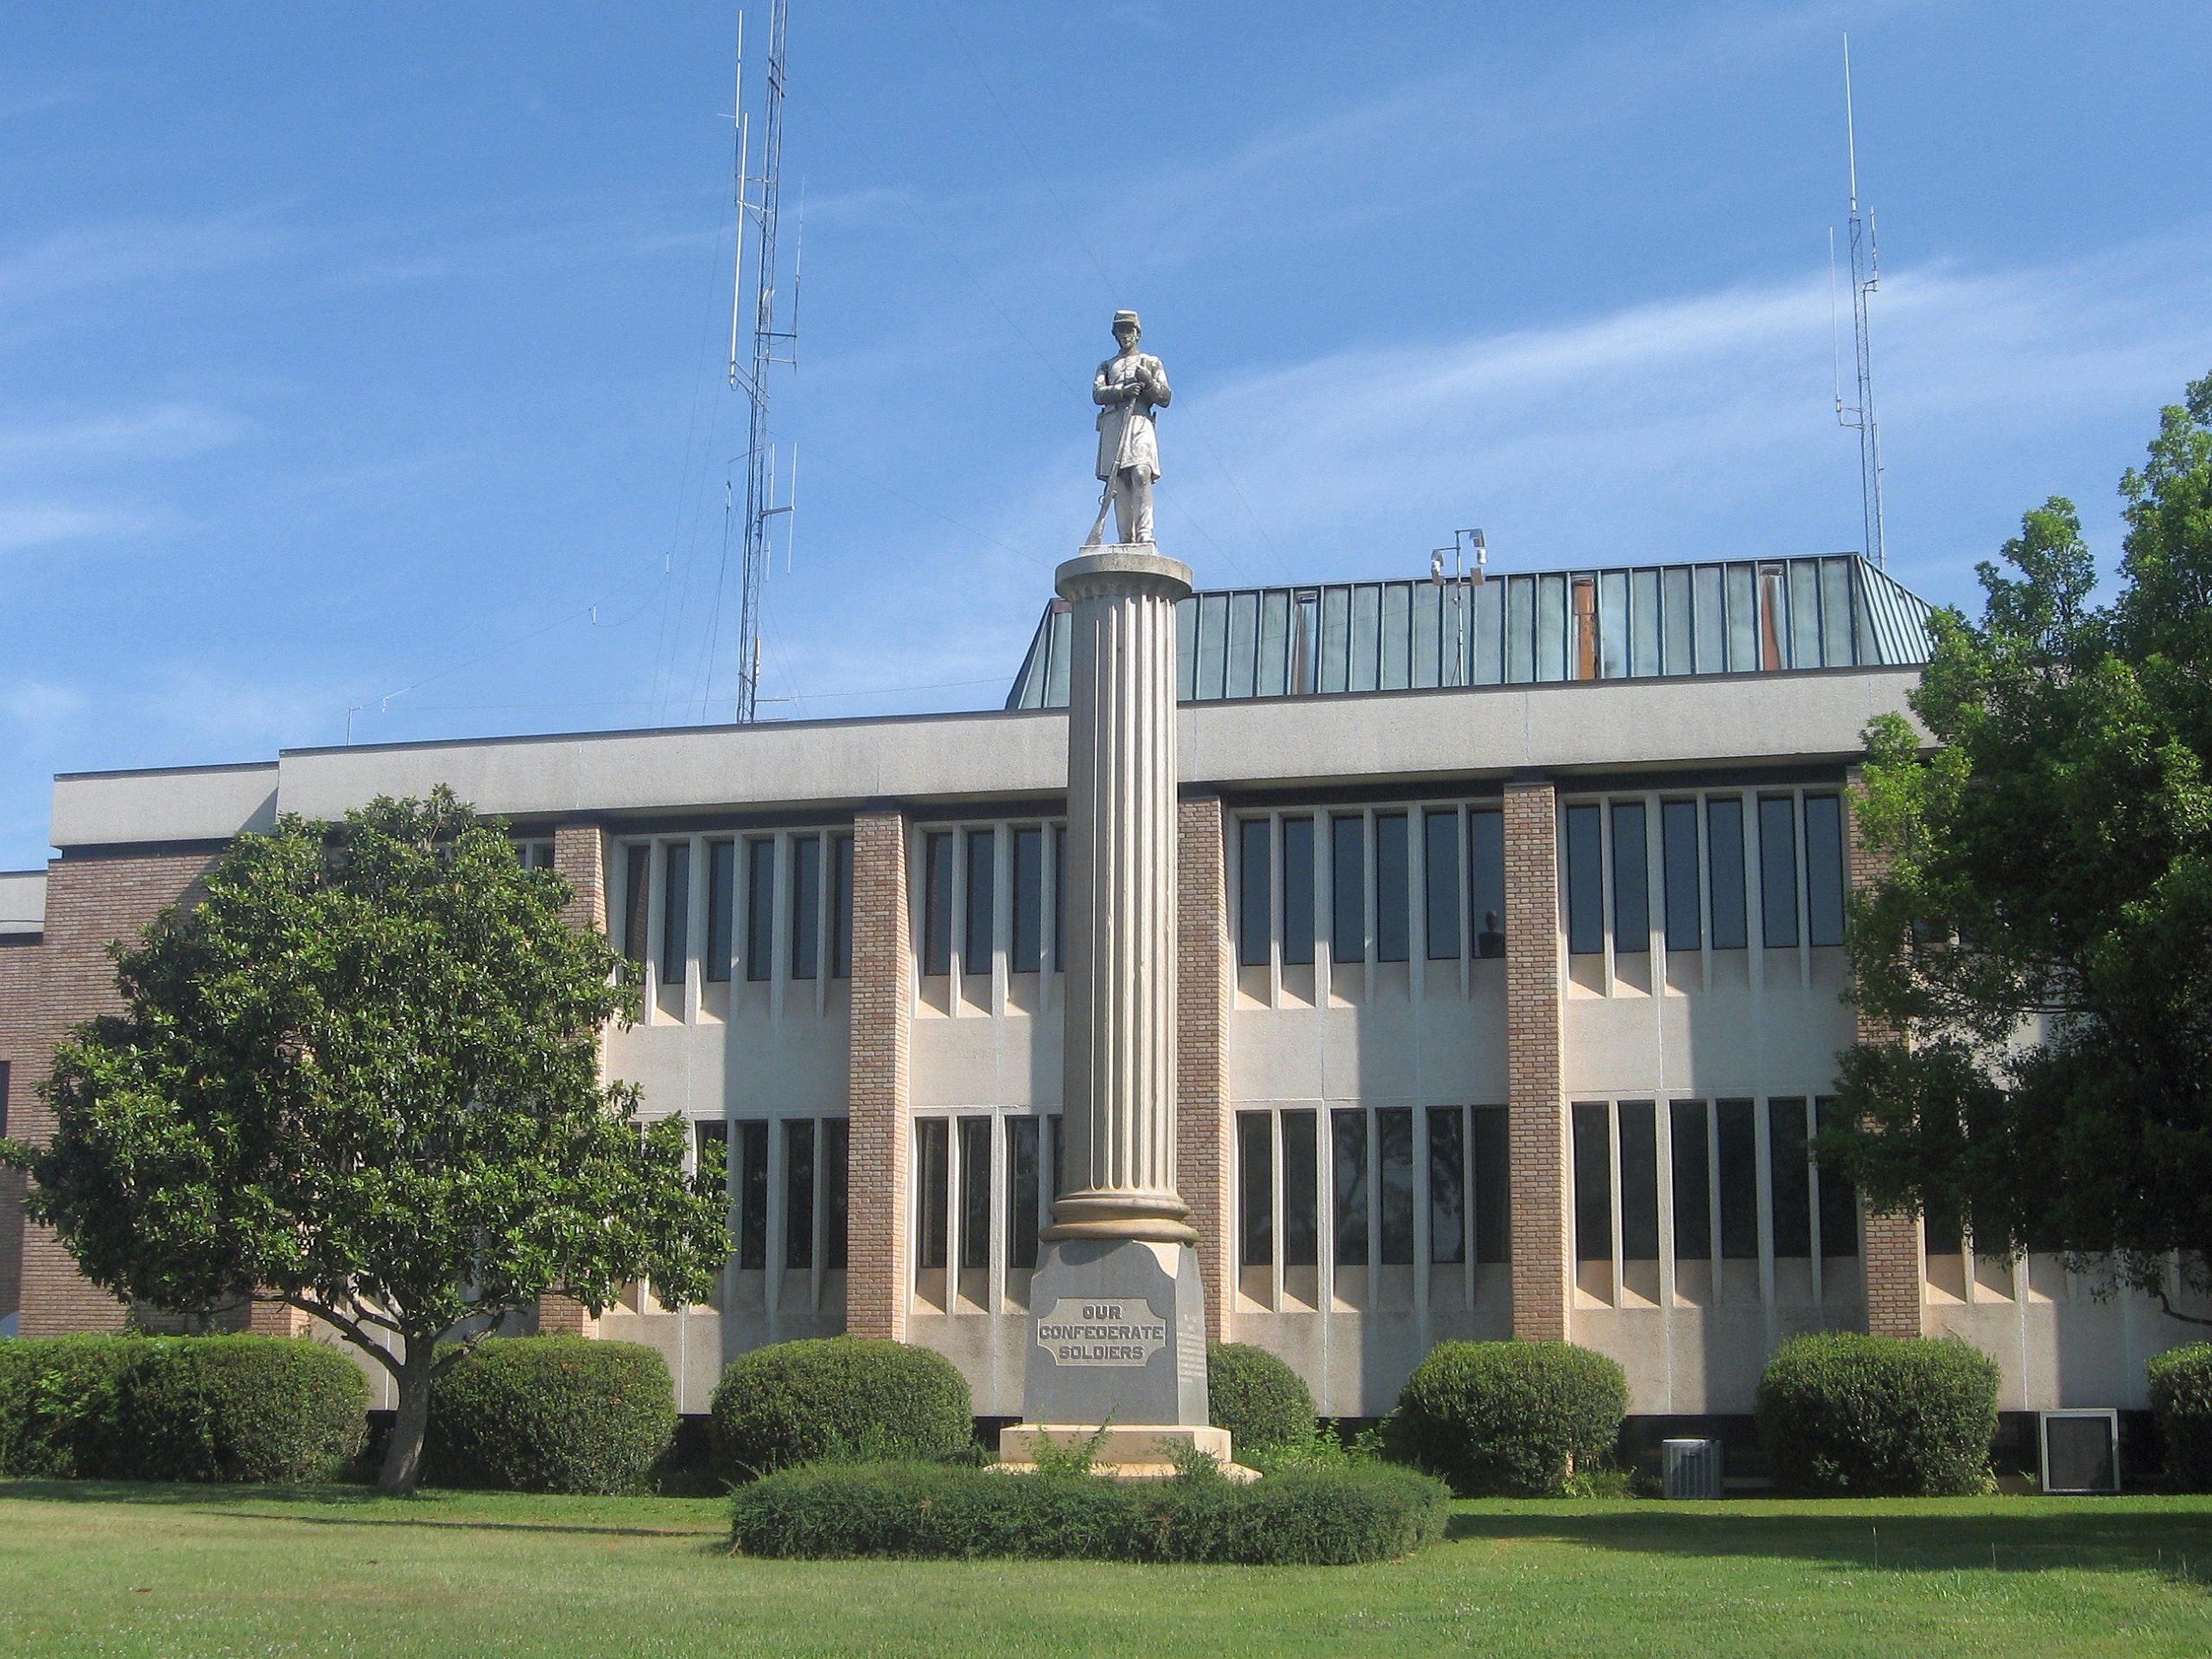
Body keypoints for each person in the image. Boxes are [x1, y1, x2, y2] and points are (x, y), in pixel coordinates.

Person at [1087, 309, 1171, 545]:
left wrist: (1147, 381)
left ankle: (1145, 533)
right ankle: (1126, 537)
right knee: (1119, 482)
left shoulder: (1151, 362)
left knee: (1141, 473)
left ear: (1137, 333)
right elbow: (1098, 393)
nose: (1125, 335)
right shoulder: (1107, 365)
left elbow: (1165, 397)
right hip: (1113, 423)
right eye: (1121, 331)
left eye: (1129, 330)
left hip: (1139, 420)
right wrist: (1122, 391)